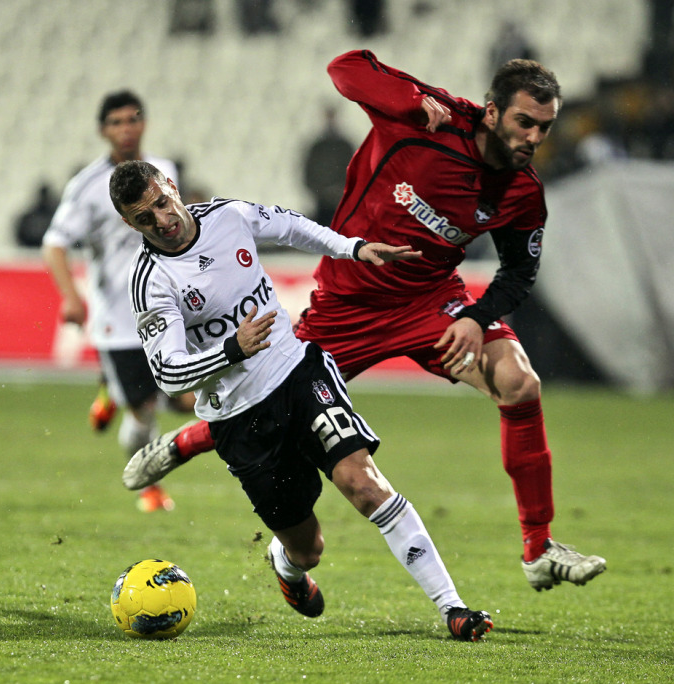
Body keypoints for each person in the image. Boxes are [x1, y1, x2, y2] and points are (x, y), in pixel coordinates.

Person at [125, 50, 607, 591]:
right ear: (493, 113)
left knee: (519, 383)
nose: (535, 137)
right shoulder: (431, 118)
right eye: (525, 122)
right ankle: (188, 441)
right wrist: (408, 100)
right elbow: (346, 67)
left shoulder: (521, 192)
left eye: (545, 127)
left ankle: (538, 548)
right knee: (271, 404)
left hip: (431, 304)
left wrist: (476, 316)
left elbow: (518, 272)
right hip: (347, 304)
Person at [109, 159, 493, 641]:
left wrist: (353, 248)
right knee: (308, 548)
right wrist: (232, 349)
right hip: (238, 419)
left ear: (170, 186)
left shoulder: (228, 216)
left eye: (162, 203)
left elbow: (292, 226)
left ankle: (453, 608)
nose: (162, 220)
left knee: (364, 484)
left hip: (297, 373)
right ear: (130, 223)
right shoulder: (151, 280)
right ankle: (285, 566)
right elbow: (167, 371)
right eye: (145, 218)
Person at [42, 90, 192, 512]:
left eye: (133, 119)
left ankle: (110, 389)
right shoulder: (87, 186)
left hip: (166, 304)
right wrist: (72, 297)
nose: (126, 129)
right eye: (116, 122)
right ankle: (147, 485)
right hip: (119, 319)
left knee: (187, 401)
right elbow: (55, 244)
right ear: (102, 130)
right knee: (145, 412)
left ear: (143, 123)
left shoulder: (164, 170)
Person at [302, 106, 356, 227]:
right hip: (322, 203)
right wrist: (322, 191)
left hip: (340, 201)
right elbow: (309, 173)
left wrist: (340, 189)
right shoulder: (317, 147)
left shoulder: (345, 146)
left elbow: (354, 170)